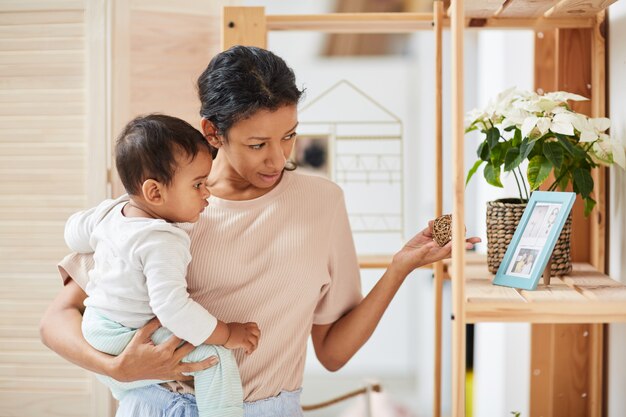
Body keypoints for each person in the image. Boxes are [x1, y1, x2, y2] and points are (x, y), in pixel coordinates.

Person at [40, 45, 480, 417]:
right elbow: (56, 320)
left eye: (288, 136)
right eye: (257, 145)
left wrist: (400, 267)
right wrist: (116, 369)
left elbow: (333, 352)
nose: (278, 159)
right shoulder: (164, 207)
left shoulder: (322, 203)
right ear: (213, 132)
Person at [63, 114, 259, 417]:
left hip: (95, 327)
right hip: (120, 333)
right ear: (154, 192)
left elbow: (74, 234)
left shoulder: (112, 212)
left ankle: (130, 386)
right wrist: (227, 333)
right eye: (197, 185)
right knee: (217, 358)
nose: (207, 193)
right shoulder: (162, 240)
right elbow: (173, 309)